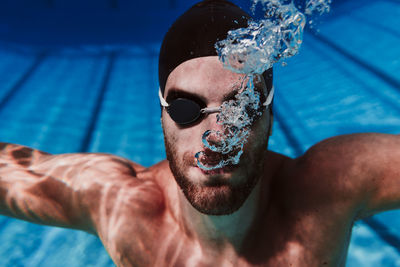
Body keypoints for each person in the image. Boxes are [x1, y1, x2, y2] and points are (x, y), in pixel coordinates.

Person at [1, 0, 399, 266]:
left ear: (269, 117)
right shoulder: (122, 206)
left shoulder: (328, 190)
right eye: (186, 109)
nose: (218, 135)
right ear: (162, 116)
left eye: (239, 108)